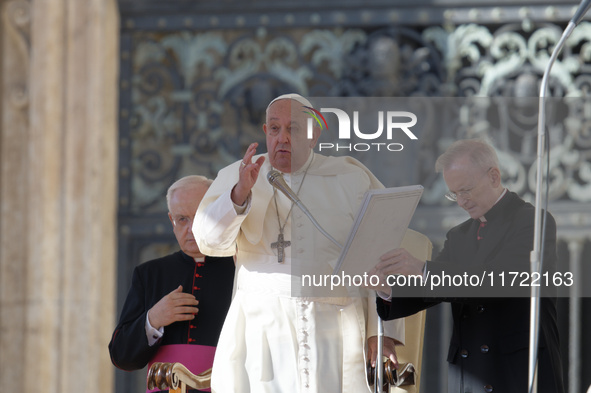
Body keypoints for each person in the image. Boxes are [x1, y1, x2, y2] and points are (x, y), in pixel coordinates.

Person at [192, 93, 404, 393]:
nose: (283, 138)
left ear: (314, 133)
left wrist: (382, 334)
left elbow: (382, 253)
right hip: (261, 325)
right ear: (266, 132)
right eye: (275, 129)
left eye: (293, 129)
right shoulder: (239, 176)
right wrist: (239, 194)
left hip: (335, 326)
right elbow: (209, 242)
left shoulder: (351, 178)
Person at [369, 139, 564, 393]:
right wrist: (387, 289)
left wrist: (423, 269)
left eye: (466, 190)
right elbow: (430, 290)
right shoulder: (459, 235)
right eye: (454, 194)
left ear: (494, 176)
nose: (461, 201)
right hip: (469, 375)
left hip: (516, 370)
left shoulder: (534, 222)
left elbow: (500, 281)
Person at [109, 176, 235, 393]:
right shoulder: (149, 274)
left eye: (199, 216)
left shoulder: (239, 270)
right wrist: (154, 319)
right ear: (171, 221)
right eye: (182, 219)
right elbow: (121, 357)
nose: (191, 228)